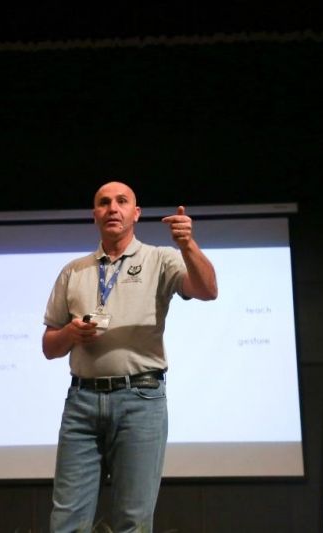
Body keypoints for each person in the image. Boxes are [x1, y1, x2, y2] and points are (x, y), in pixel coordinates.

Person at [42, 181, 218, 533]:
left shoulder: (160, 258)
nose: (113, 208)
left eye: (122, 201)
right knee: (66, 522)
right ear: (94, 215)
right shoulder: (73, 271)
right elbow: (49, 347)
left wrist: (187, 244)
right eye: (104, 202)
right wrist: (70, 334)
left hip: (141, 400)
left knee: (133, 522)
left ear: (135, 214)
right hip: (82, 403)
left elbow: (207, 290)